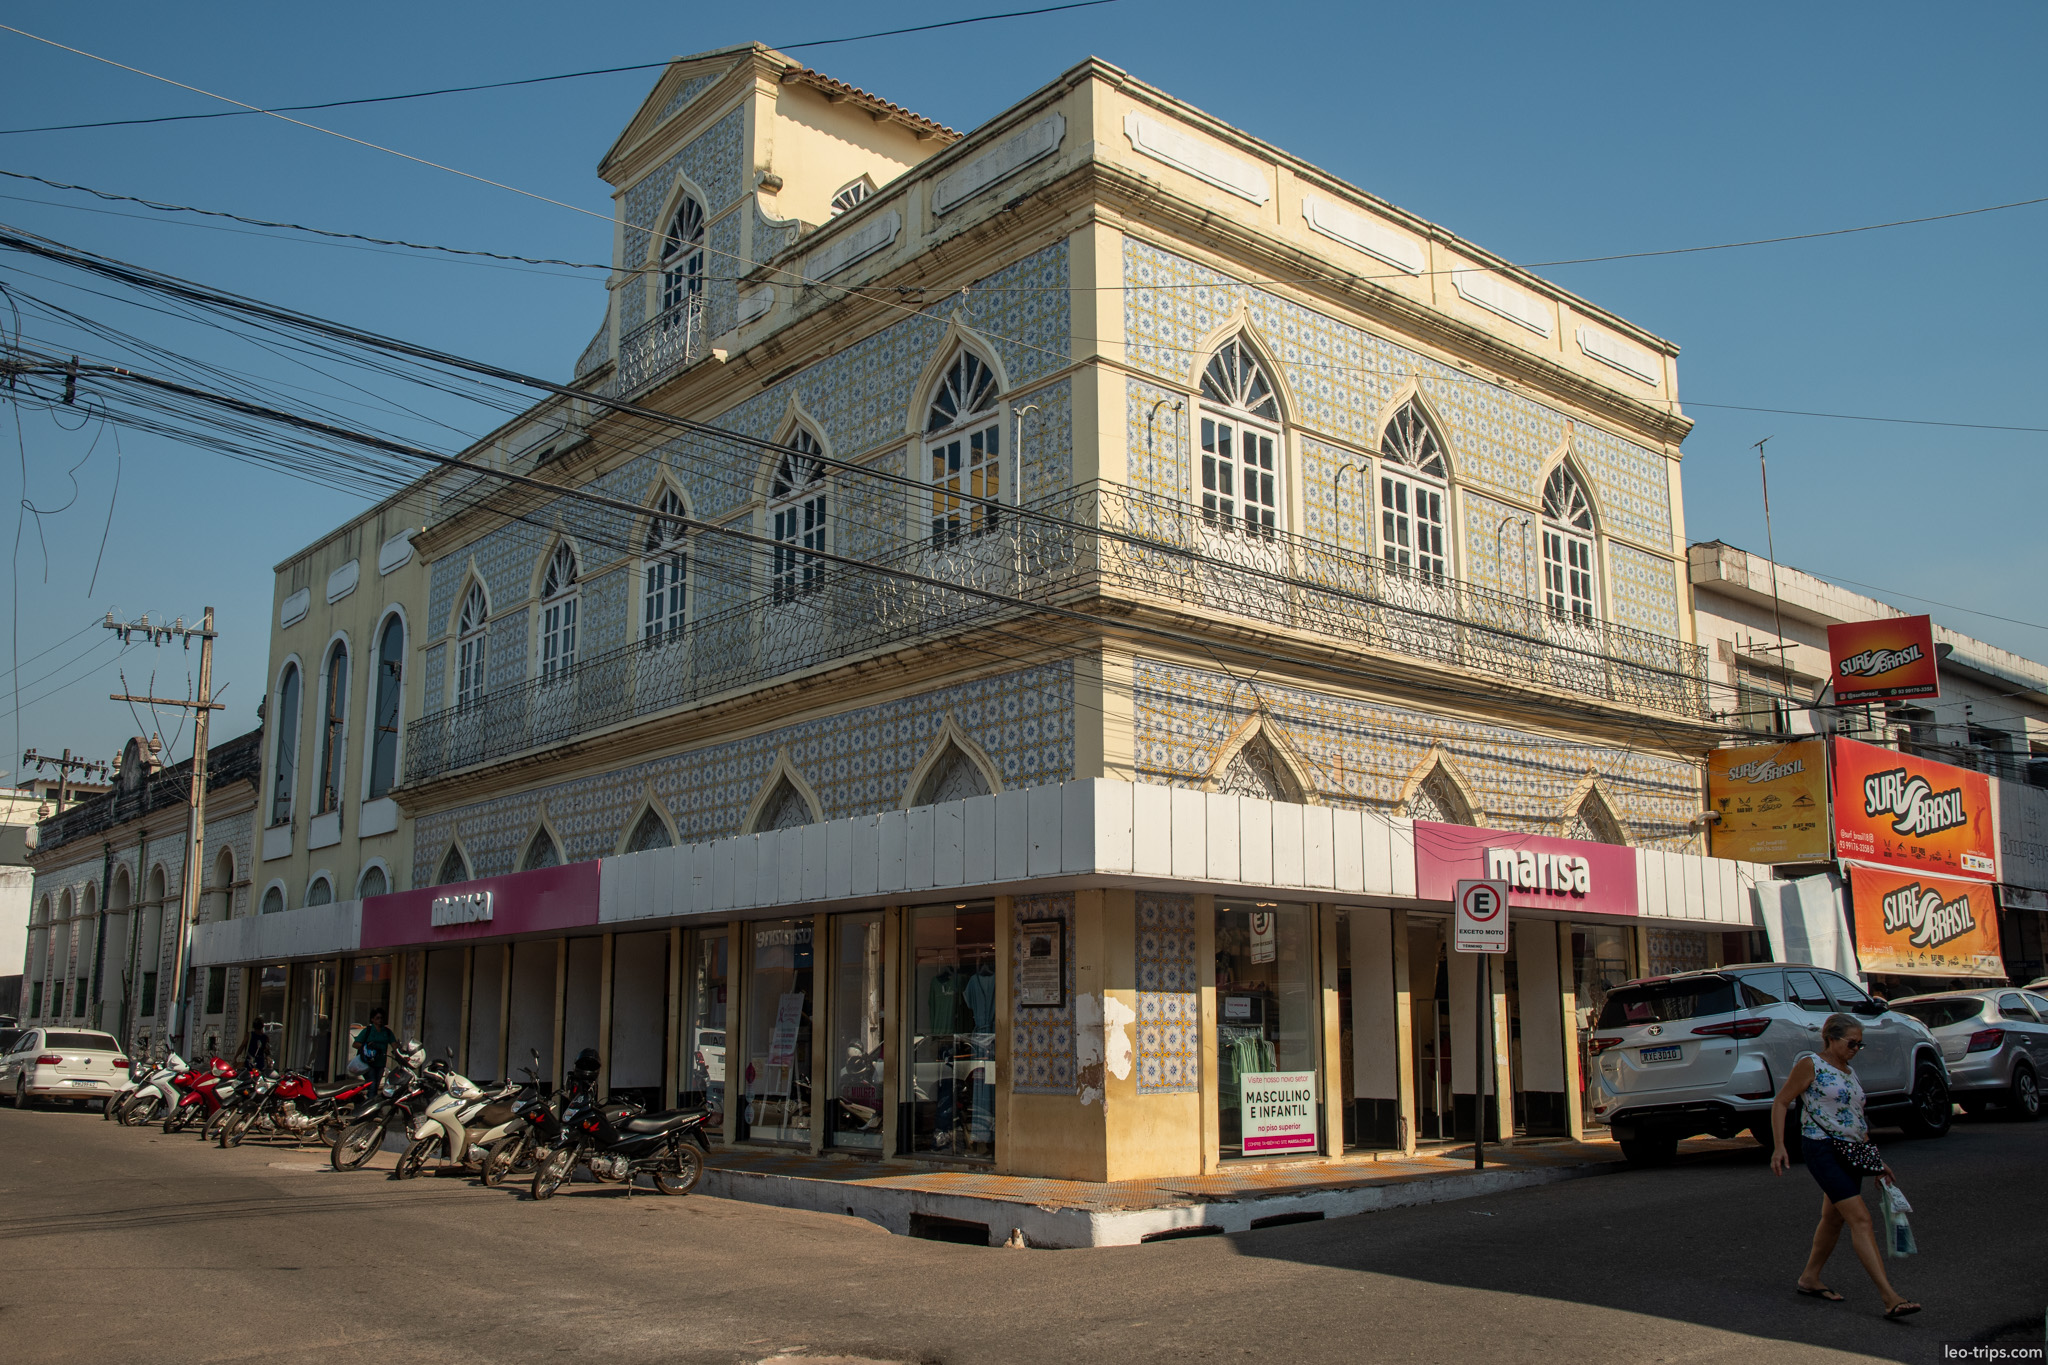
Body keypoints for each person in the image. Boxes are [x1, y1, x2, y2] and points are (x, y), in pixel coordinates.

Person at [1769, 1012, 1922, 1319]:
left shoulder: (1849, 1073)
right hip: (1821, 1149)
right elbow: (1781, 1101)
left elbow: (1855, 1121)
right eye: (1852, 1043)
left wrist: (1876, 1161)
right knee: (1861, 1219)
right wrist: (1779, 1146)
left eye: (1860, 1045)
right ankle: (1890, 1297)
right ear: (1832, 1038)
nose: (1856, 1049)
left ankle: (1810, 1278)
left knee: (1833, 1218)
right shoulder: (1811, 1064)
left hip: (1851, 1150)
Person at [354, 1009, 396, 1088]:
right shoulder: (368, 1031)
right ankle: (370, 1099)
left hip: (381, 1063)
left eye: (381, 1018)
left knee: (376, 1085)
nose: (380, 1020)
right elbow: (355, 1044)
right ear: (372, 1019)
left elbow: (394, 1045)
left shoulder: (387, 1032)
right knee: (372, 1084)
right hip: (368, 1063)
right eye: (377, 1018)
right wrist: (367, 1046)